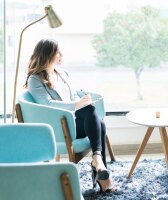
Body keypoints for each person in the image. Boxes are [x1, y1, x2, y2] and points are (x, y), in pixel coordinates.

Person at [24, 39, 115, 193]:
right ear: (48, 55)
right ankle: (101, 173)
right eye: (58, 52)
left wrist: (82, 100)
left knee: (97, 119)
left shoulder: (62, 73)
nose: (61, 55)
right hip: (60, 127)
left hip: (73, 120)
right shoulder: (35, 79)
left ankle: (98, 161)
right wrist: (76, 105)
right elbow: (47, 104)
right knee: (97, 121)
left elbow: (72, 95)